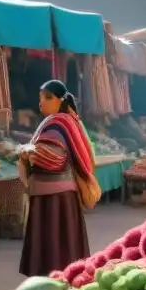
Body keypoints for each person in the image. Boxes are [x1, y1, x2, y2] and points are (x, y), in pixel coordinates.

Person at [18, 80, 101, 277]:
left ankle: (53, 282)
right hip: (62, 196)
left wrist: (25, 153)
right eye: (40, 98)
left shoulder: (58, 123)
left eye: (47, 98)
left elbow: (54, 159)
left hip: (54, 196)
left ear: (60, 101)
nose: (42, 103)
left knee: (52, 246)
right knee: (65, 245)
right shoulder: (67, 121)